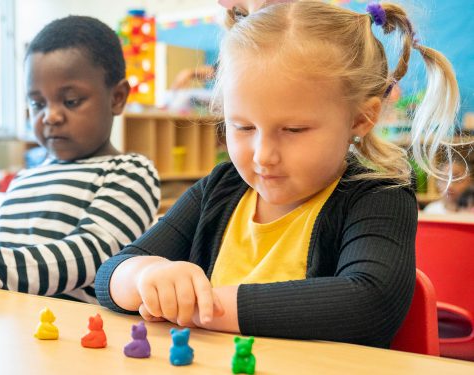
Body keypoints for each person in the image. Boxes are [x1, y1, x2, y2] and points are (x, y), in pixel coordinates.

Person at [95, 0, 461, 348]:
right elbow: (110, 273)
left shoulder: (379, 195)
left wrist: (201, 306)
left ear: (362, 118)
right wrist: (143, 276)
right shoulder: (219, 189)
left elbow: (369, 302)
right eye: (242, 127)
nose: (263, 156)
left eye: (293, 130)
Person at [0, 16, 161, 304]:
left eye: (71, 101)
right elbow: (5, 259)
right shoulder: (25, 179)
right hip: (14, 328)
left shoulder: (131, 173)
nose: (50, 116)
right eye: (37, 103)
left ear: (117, 98)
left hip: (79, 338)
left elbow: (94, 256)